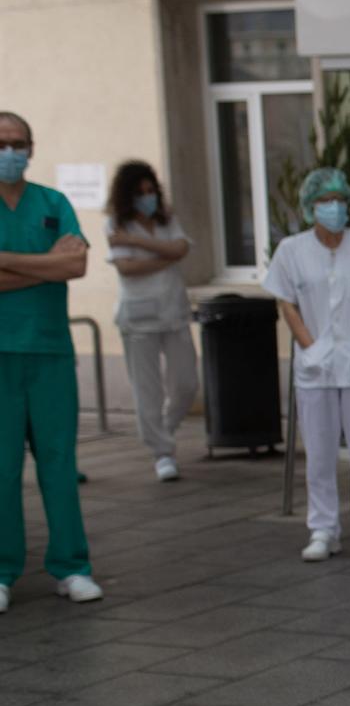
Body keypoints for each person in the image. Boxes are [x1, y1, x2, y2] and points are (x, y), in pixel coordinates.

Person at [264, 167, 350, 562]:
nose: (334, 207)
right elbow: (285, 301)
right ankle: (323, 529)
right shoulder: (291, 249)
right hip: (315, 366)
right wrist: (308, 346)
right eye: (325, 201)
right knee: (320, 452)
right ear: (310, 206)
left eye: (340, 200)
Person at [0, 110, 100, 611]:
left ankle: (72, 566)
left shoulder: (53, 202)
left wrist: (7, 260)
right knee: (1, 468)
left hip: (51, 352)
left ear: (32, 148)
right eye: (2, 143)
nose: (10, 152)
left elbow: (77, 263)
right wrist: (47, 267)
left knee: (60, 465)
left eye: (18, 143)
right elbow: (60, 265)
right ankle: (2, 572)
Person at [103, 160, 197, 482]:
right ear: (127, 196)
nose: (148, 197)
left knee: (186, 384)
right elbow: (126, 268)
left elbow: (181, 248)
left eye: (151, 191)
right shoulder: (115, 224)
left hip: (174, 312)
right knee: (148, 391)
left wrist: (140, 245)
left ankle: (164, 430)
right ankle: (162, 453)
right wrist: (165, 256)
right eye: (140, 193)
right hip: (138, 318)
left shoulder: (167, 220)